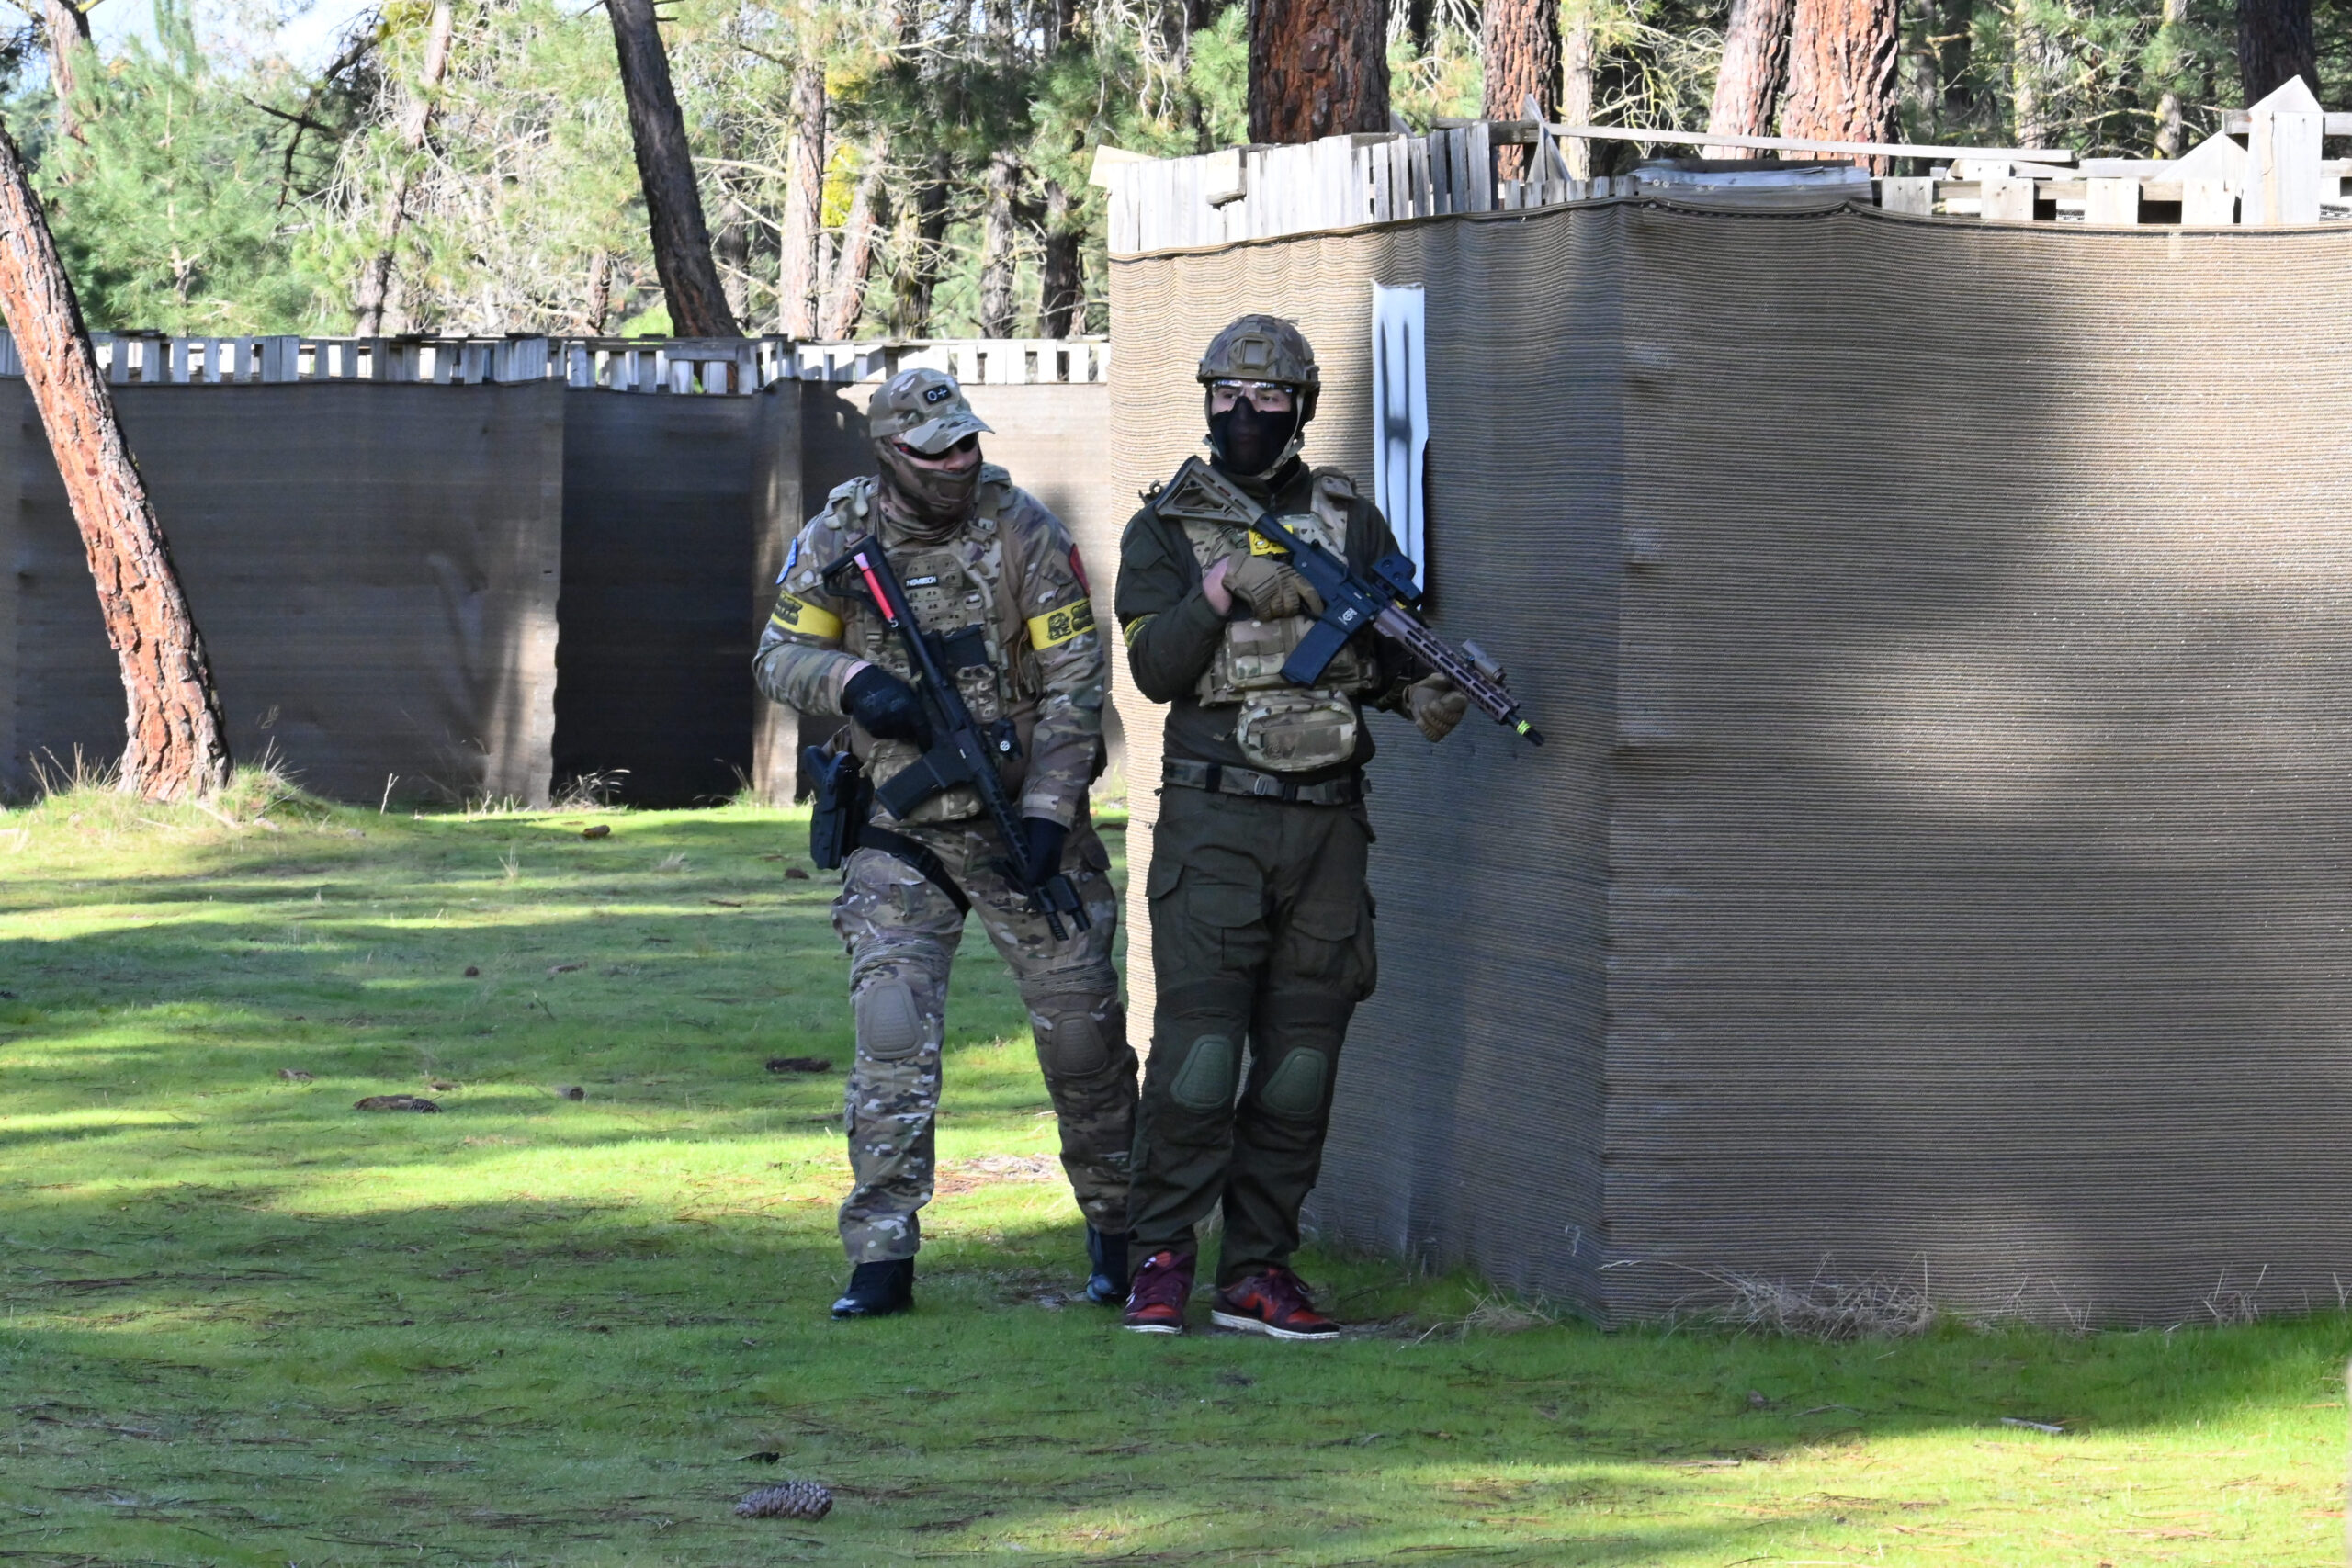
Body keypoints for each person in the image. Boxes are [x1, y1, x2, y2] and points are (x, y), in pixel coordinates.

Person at [1113, 315, 1470, 1339]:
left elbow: (1381, 651)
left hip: (1326, 831)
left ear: (1300, 407)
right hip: (1215, 823)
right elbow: (1153, 671)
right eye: (1226, 393)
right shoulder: (1166, 527)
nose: (1244, 412)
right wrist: (1219, 587)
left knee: (1300, 1064)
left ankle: (1259, 1268)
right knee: (1199, 1059)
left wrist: (1421, 692)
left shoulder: (1350, 521)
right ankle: (1160, 1258)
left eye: (1267, 396)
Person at [755, 367, 1136, 1320]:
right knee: (890, 1029)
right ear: (890, 453)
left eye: (967, 443)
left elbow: (1075, 685)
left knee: (1084, 1041)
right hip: (900, 829)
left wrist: (1047, 812)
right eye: (936, 451)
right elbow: (778, 655)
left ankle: (1121, 1233)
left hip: (1024, 826)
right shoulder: (838, 537)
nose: (959, 462)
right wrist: (851, 683)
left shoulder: (1024, 533)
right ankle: (880, 1254)